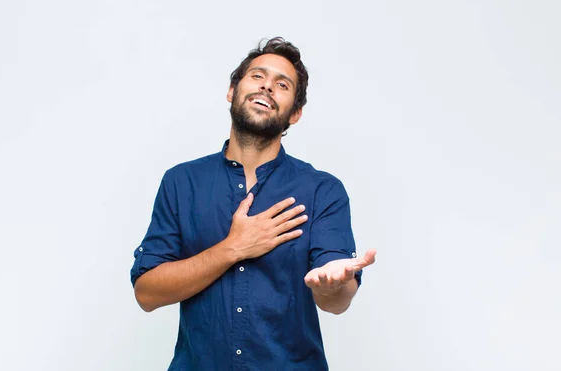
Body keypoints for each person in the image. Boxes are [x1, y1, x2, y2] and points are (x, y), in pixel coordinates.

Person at [130, 37, 376, 370]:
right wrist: (233, 248)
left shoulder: (322, 190)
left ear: (296, 113)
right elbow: (146, 293)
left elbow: (337, 300)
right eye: (257, 76)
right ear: (232, 90)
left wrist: (333, 283)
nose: (267, 87)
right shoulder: (181, 183)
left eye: (282, 84)